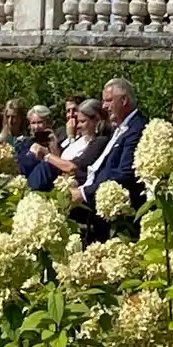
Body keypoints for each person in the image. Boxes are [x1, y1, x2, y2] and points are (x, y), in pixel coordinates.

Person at [69, 78, 147, 242]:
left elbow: (125, 174)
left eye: (108, 100)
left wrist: (84, 192)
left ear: (124, 100)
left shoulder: (136, 129)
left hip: (118, 219)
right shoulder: (120, 128)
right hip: (98, 208)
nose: (104, 106)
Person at [27, 98, 107, 191]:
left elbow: (72, 167)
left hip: (68, 183)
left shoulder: (99, 141)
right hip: (53, 178)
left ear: (96, 120)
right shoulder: (80, 138)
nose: (78, 125)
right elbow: (61, 158)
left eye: (82, 121)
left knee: (45, 166)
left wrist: (47, 155)